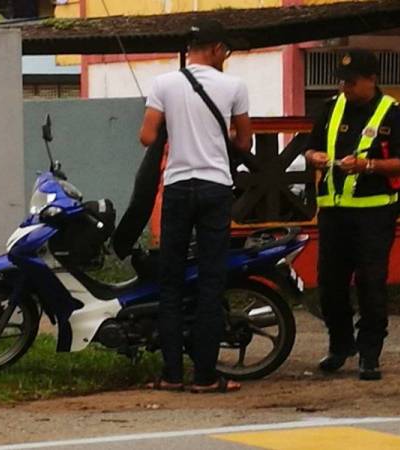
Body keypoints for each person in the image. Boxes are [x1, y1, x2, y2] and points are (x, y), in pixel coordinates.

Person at [139, 19, 252, 393]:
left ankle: (171, 374)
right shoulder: (234, 86)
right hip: (215, 187)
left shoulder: (164, 83)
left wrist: (177, 129)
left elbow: (147, 136)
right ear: (217, 49)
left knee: (170, 282)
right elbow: (244, 144)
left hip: (177, 187)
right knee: (210, 281)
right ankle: (205, 376)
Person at [305, 49, 400, 381]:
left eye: (352, 83)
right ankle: (340, 345)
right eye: (343, 82)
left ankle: (370, 353)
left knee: (371, 284)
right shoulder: (330, 108)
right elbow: (309, 147)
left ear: (372, 79)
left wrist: (368, 165)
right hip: (333, 212)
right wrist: (315, 157)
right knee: (330, 285)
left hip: (375, 214)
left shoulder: (393, 114)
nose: (346, 88)